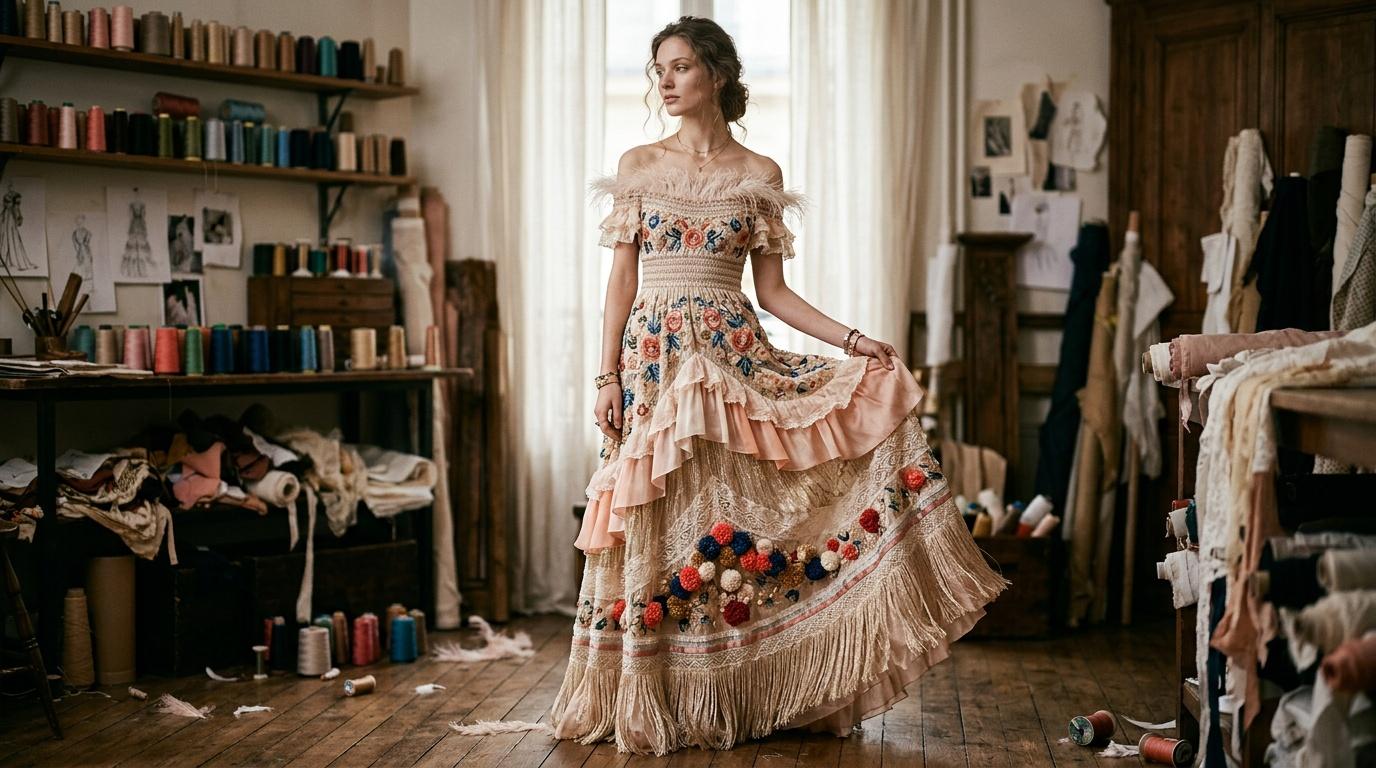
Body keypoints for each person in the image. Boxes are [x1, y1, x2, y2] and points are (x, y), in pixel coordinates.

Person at [550, 16, 1006, 755]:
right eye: (656, 69)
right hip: (655, 364)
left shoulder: (759, 175)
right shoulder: (638, 164)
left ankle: (743, 693)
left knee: (737, 526)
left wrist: (856, 343)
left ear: (718, 75)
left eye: (679, 67)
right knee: (658, 522)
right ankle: (657, 694)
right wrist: (605, 375)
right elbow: (621, 284)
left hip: (733, 362)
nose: (663, 82)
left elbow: (775, 295)